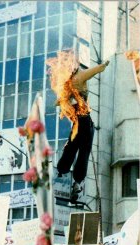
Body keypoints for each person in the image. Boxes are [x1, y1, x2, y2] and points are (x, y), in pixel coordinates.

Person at [46, 50, 109, 202]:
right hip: (84, 120)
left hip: (76, 122)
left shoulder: (67, 84)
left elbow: (59, 101)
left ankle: (62, 170)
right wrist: (104, 64)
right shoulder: (80, 77)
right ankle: (78, 182)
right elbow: (96, 70)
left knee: (72, 145)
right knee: (84, 151)